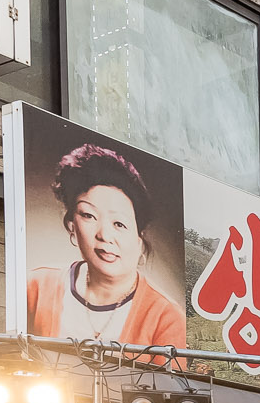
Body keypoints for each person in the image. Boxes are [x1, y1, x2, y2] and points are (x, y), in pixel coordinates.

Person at [23, 141, 190, 351]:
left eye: (119, 224)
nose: (104, 235)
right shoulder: (34, 287)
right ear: (72, 226)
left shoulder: (167, 318)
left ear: (139, 241)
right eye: (89, 215)